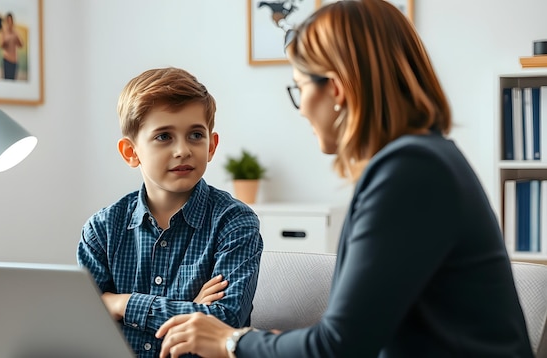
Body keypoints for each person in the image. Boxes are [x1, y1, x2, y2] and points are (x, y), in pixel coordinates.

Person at [155, 1, 534, 357]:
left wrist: (232, 341)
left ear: (335, 89)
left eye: (300, 87)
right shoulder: (420, 162)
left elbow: (339, 346)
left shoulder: (411, 173)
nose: (301, 108)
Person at [77, 67, 263, 357]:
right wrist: (193, 308)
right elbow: (84, 322)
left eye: (195, 135)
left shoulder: (235, 223)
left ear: (211, 146)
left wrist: (120, 304)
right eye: (164, 136)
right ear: (131, 152)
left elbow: (225, 322)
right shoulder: (101, 230)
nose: (183, 150)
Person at [0, 12, 22, 80]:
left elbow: (20, 45)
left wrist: (16, 37)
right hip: (7, 59)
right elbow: (1, 44)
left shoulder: (15, 32)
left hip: (14, 61)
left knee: (13, 80)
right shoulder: (4, 32)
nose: (9, 23)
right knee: (7, 80)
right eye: (8, 21)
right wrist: (7, 40)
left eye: (10, 21)